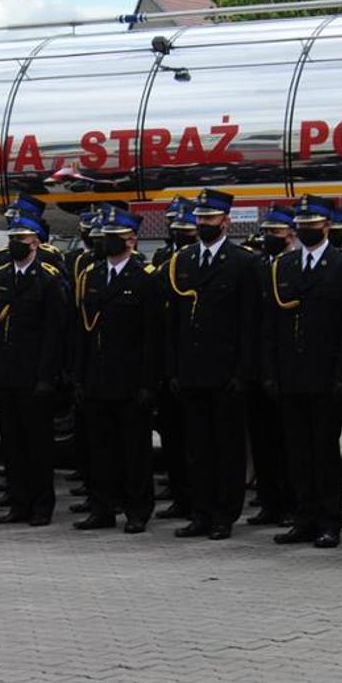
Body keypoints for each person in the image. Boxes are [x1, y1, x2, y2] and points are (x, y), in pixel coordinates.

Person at [263, 196, 342, 549]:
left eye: (313, 223)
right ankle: (304, 517)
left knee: (324, 453)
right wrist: (272, 373)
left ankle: (329, 520)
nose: (306, 228)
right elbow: (273, 326)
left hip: (328, 377)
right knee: (297, 451)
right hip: (292, 375)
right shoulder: (285, 265)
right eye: (302, 223)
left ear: (327, 225)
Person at [163, 189, 259, 541]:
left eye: (210, 219)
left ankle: (224, 514)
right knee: (197, 448)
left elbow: (250, 323)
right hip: (191, 371)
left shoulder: (243, 262)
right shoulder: (184, 261)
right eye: (200, 219)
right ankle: (201, 512)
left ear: (226, 221)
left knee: (227, 449)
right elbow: (174, 322)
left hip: (226, 372)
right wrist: (173, 368)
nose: (203, 224)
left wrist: (243, 371)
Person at [74, 208, 161, 533]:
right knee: (101, 450)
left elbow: (153, 336)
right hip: (97, 378)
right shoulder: (93, 276)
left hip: (130, 380)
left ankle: (137, 510)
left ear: (131, 240)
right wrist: (80, 376)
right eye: (105, 236)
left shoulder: (144, 278)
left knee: (134, 452)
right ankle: (102, 508)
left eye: (114, 236)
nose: (106, 241)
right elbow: (83, 331)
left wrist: (148, 383)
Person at [0, 213, 68, 526]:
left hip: (33, 376)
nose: (16, 244)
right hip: (5, 374)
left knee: (38, 446)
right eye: (13, 239)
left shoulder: (48, 278)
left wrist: (47, 377)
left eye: (23, 240)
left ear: (37, 243)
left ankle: (42, 506)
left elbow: (53, 333)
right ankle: (19, 503)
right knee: (13, 445)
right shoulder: (1, 277)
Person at [245, 205, 298, 529]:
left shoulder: (293, 267)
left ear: (290, 234)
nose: (268, 238)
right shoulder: (258, 266)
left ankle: (292, 503)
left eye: (275, 233)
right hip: (258, 366)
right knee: (263, 440)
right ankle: (269, 502)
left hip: (288, 368)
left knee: (288, 443)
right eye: (266, 232)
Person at [151, 199, 197, 522]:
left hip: (194, 361)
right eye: (176, 229)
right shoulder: (163, 258)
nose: (179, 233)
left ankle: (198, 498)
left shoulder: (196, 262)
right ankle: (180, 494)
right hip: (168, 359)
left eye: (186, 229)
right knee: (172, 436)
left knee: (197, 440)